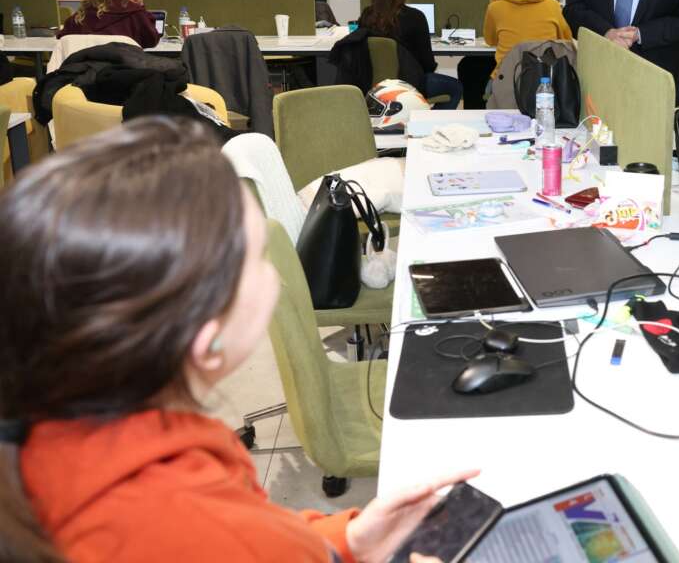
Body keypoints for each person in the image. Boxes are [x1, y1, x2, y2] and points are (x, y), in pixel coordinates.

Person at [0, 117, 473, 562]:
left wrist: (345, 541)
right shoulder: (183, 518)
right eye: (258, 259)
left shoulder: (58, 446)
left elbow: (259, 543)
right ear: (208, 341)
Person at [356, 0, 462, 110]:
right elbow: (428, 64)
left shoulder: (366, 16)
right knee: (455, 87)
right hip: (410, 85)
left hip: (375, 87)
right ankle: (427, 120)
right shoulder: (415, 17)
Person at [482, 0, 573, 82]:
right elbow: (566, 39)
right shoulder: (553, 5)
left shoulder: (495, 8)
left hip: (507, 82)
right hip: (544, 80)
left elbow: (490, 40)